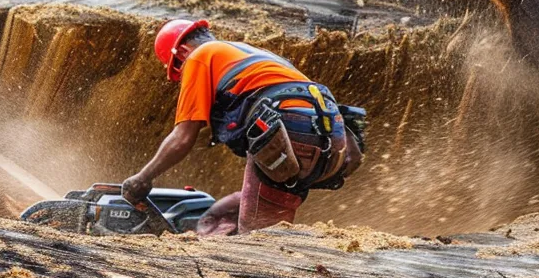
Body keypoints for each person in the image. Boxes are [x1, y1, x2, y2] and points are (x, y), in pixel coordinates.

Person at [123, 19, 364, 236]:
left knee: (256, 245)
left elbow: (183, 138)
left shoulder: (198, 57)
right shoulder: (255, 57)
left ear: (182, 53)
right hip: (334, 142)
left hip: (291, 132)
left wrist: (142, 179)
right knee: (226, 215)